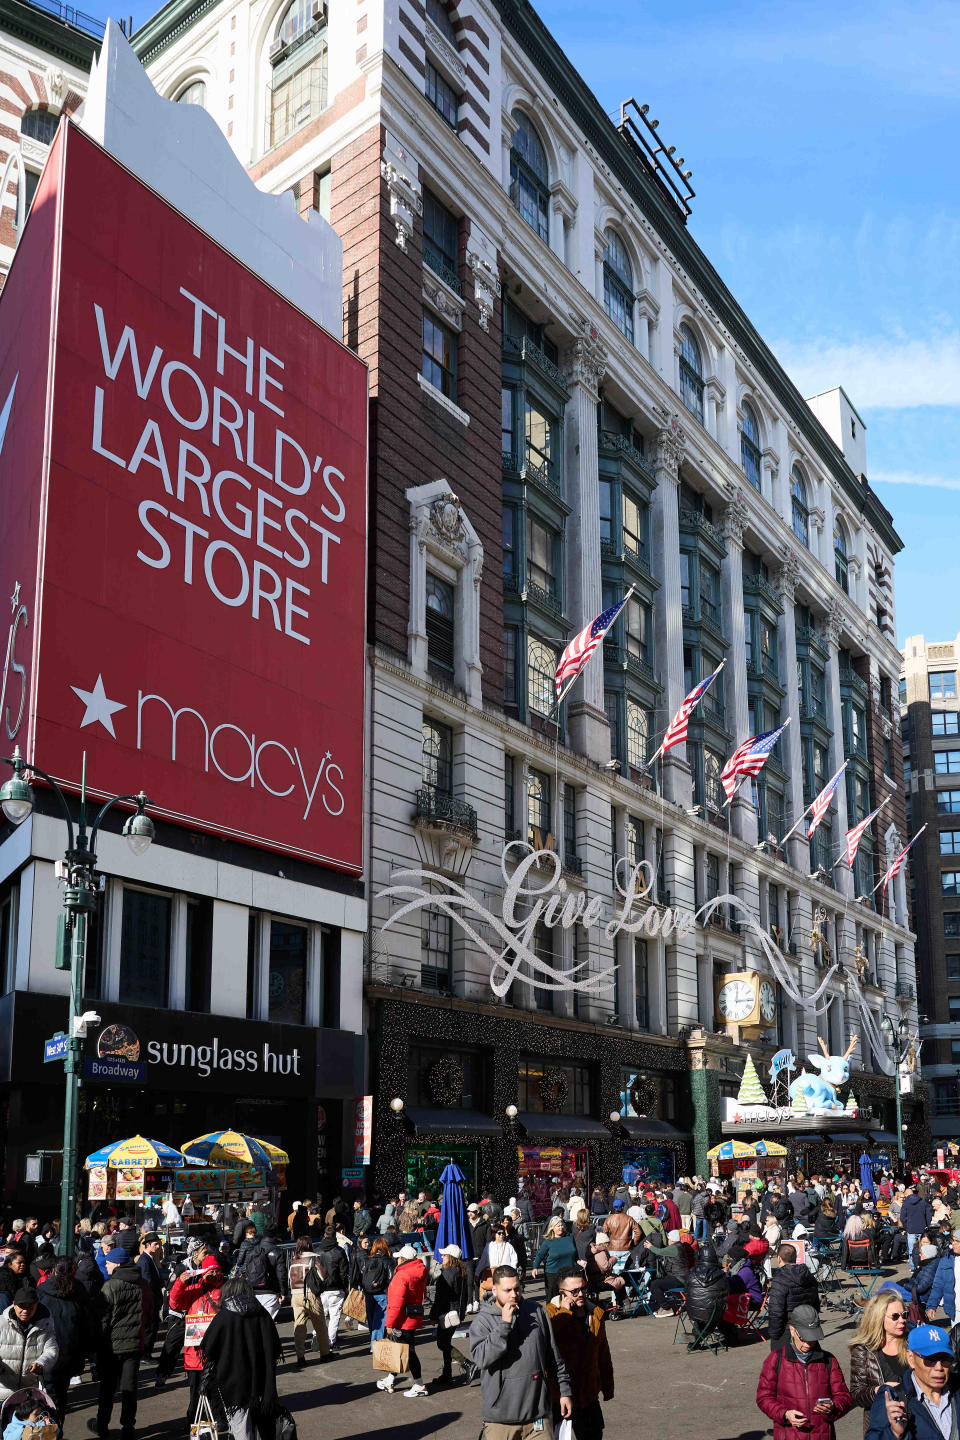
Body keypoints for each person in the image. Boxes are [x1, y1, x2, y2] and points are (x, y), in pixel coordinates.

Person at [469, 1265, 572, 1437]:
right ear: (494, 1290)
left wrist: (564, 1392)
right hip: (500, 1420)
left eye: (517, 1288)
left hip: (538, 1417)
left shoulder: (536, 1311)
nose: (513, 1294)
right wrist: (504, 1325)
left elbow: (553, 1356)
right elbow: (481, 1359)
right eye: (507, 1290)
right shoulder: (482, 1321)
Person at [200, 1276, 280, 1440]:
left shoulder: (224, 1317)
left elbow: (209, 1348)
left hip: (233, 1384)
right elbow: (275, 1349)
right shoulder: (263, 1314)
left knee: (240, 1426)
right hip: (261, 1383)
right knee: (260, 1426)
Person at [757, 1304, 853, 1440]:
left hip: (822, 1435)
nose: (808, 1344)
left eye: (813, 1338)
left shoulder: (829, 1360)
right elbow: (764, 1397)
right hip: (788, 1435)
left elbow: (844, 1396)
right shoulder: (775, 1359)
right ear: (792, 1330)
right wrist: (784, 1414)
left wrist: (834, 1406)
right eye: (803, 1338)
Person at [545, 1267, 613, 1440]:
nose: (581, 1294)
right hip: (559, 1397)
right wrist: (565, 1313)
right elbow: (548, 1346)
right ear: (562, 1292)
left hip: (588, 1395)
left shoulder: (595, 1313)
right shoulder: (549, 1314)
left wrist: (607, 1385)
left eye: (583, 1288)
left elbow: (603, 1353)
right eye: (574, 1291)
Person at [92, 1247, 152, 1440]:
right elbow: (149, 1312)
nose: (106, 1265)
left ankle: (102, 1426)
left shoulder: (111, 1286)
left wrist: (97, 1346)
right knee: (129, 1388)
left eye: (108, 1262)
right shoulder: (143, 1284)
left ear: (117, 1263)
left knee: (108, 1389)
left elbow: (103, 1320)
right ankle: (128, 1428)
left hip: (112, 1347)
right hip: (134, 1345)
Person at [865, 1324, 960, 1440]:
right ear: (911, 1359)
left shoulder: (957, 1390)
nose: (939, 1367)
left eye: (945, 1359)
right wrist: (894, 1434)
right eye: (930, 1359)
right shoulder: (893, 1400)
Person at [36, 1258, 98, 1425]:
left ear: (54, 1270)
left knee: (49, 1394)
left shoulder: (43, 1290)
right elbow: (89, 1323)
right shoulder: (78, 1290)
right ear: (72, 1271)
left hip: (47, 1349)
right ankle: (56, 1428)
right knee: (60, 1395)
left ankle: (51, 1429)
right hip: (70, 1350)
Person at [168, 1255, 223, 1423]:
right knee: (195, 1389)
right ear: (203, 1273)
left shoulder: (226, 1291)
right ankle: (194, 1420)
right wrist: (179, 1283)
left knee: (217, 1387)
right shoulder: (195, 1290)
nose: (214, 1274)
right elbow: (175, 1304)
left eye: (217, 1271)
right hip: (195, 1351)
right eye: (210, 1271)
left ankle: (220, 1419)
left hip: (217, 1349)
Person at [849, 1292, 909, 1431]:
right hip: (881, 1424)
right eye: (895, 1316)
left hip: (914, 1419)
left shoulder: (912, 1342)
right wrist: (878, 1390)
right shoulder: (863, 1350)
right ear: (879, 1318)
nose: (902, 1320)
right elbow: (857, 1394)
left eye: (904, 1315)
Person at [377, 1244, 428, 1398]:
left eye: (399, 1258)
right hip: (412, 1316)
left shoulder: (402, 1275)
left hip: (401, 1319)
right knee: (401, 1350)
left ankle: (419, 1384)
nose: (397, 1260)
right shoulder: (419, 1272)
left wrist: (389, 1324)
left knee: (406, 1351)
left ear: (402, 1259)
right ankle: (390, 1380)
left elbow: (396, 1302)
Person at [0, 1286, 58, 1403]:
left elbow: (51, 1349)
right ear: (14, 1304)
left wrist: (41, 1364)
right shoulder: (1, 1323)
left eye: (30, 1307)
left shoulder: (46, 1323)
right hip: (2, 1391)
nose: (25, 1311)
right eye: (21, 1306)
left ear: (37, 1305)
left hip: (29, 1392)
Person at [766, 1242, 820, 1349]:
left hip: (788, 1328)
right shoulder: (808, 1275)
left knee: (782, 1362)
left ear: (779, 1259)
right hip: (808, 1326)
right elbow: (816, 1305)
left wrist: (774, 1335)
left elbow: (776, 1311)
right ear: (795, 1258)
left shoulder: (780, 1279)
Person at [429, 1245, 468, 1386]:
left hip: (447, 1312)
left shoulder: (449, 1273)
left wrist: (433, 1315)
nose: (442, 1257)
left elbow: (440, 1297)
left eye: (445, 1255)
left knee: (443, 1343)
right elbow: (465, 1295)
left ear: (451, 1257)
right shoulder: (460, 1271)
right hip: (454, 1312)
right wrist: (462, 1313)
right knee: (445, 1342)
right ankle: (447, 1374)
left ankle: (467, 1364)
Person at [286, 1237, 329, 1367]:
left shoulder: (294, 1260)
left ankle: (300, 1357)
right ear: (309, 1245)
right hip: (310, 1294)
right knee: (320, 1325)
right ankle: (325, 1354)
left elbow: (289, 1278)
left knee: (299, 1327)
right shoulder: (314, 1258)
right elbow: (323, 1276)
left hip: (295, 1296)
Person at [235, 1225, 286, 1321]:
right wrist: (283, 1292)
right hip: (271, 1291)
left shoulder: (254, 1249)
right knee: (267, 1322)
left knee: (255, 1322)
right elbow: (281, 1273)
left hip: (254, 1289)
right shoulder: (277, 1251)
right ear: (275, 1235)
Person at [312, 1224, 349, 1354]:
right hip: (336, 1287)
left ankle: (316, 1335)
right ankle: (330, 1342)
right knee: (334, 1316)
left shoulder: (317, 1250)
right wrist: (345, 1287)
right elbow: (344, 1272)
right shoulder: (339, 1251)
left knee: (320, 1315)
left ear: (324, 1235)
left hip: (321, 1288)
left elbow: (313, 1270)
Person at [684, 1245, 728, 1351]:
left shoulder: (691, 1272)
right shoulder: (721, 1274)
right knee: (715, 1315)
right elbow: (726, 1293)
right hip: (712, 1311)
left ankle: (694, 1339)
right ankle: (695, 1341)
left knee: (704, 1316)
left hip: (693, 1311)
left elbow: (686, 1290)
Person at [357, 1237, 393, 1349]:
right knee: (380, 1320)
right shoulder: (388, 1260)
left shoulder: (367, 1260)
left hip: (368, 1293)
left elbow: (362, 1275)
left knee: (372, 1319)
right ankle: (375, 1346)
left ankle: (374, 1340)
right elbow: (391, 1278)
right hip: (381, 1293)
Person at [531, 1221, 578, 1300]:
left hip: (569, 1272)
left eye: (562, 1225)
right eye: (558, 1226)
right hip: (553, 1274)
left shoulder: (570, 1237)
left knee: (569, 1297)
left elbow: (574, 1252)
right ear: (552, 1228)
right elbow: (539, 1255)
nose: (561, 1228)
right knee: (553, 1299)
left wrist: (579, 1261)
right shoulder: (548, 1241)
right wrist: (535, 1267)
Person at [135, 1234, 164, 1358]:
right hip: (150, 1300)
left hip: (153, 1299)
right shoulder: (145, 1260)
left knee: (152, 1327)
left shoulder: (149, 1258)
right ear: (148, 1245)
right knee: (150, 1328)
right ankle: (145, 1354)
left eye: (158, 1244)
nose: (158, 1247)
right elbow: (147, 1282)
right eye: (155, 1244)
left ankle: (147, 1353)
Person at [924, 1228, 960, 1323]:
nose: (953, 1244)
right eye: (953, 1240)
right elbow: (938, 1284)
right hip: (955, 1310)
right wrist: (932, 1306)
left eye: (957, 1241)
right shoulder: (946, 1260)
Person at [899, 1188, 933, 1268]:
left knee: (912, 1250)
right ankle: (924, 1265)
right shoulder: (923, 1202)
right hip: (922, 1228)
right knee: (924, 1248)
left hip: (911, 1229)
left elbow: (902, 1217)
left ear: (906, 1195)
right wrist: (926, 1225)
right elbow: (929, 1215)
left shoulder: (906, 1203)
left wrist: (906, 1226)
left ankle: (913, 1268)